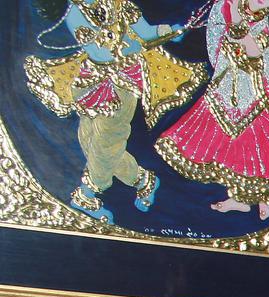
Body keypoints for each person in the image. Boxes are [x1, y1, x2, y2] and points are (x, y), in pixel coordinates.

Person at [24, 0, 204, 223]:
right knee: (89, 140)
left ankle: (87, 195)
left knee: (106, 143)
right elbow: (99, 48)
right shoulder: (74, 9)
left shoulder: (120, 4)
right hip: (90, 78)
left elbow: (146, 32)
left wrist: (166, 32)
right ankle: (141, 180)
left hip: (122, 82)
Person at [154, 0, 269, 221]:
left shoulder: (267, 26)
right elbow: (217, 42)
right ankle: (241, 201)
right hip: (226, 91)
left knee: (261, 150)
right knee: (227, 148)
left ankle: (262, 198)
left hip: (255, 97)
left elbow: (255, 51)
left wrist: (238, 24)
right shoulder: (228, 10)